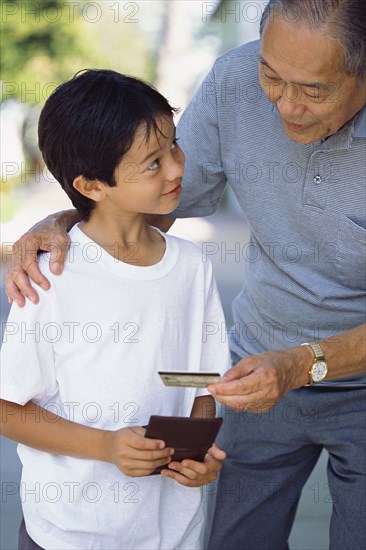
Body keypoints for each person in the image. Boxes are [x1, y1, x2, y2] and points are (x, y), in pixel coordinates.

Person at [4, 0, 366, 548]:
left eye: (313, 90)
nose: (286, 104)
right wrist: (62, 222)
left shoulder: (191, 268)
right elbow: (140, 198)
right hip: (249, 376)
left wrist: (298, 366)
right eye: (271, 76)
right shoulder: (52, 279)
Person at [0, 69, 231, 550]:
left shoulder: (191, 266)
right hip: (68, 533)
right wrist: (106, 447)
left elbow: (198, 384)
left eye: (174, 145)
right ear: (91, 184)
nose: (176, 168)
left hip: (171, 532)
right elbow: (8, 408)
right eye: (152, 162)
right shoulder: (50, 275)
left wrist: (199, 450)